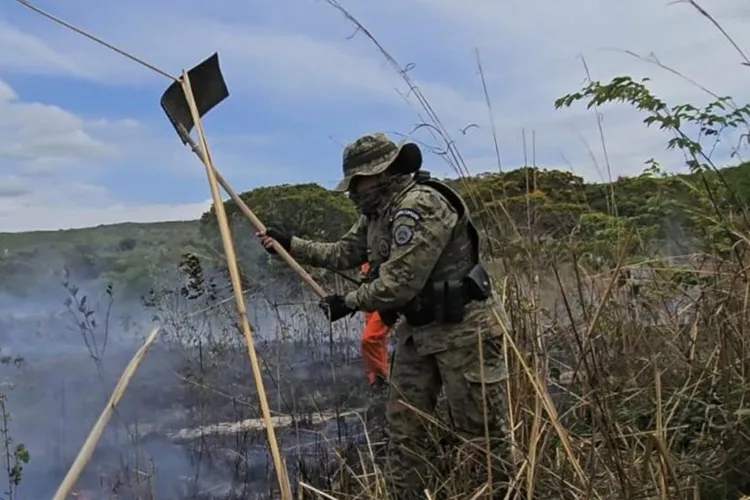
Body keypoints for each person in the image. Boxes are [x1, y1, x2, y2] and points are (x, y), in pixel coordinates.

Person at [257, 132, 508, 498]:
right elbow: (343, 252)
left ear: (384, 173)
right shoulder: (377, 213)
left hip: (465, 333)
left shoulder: (419, 207)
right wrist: (290, 245)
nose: (354, 191)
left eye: (359, 182)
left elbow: (400, 284)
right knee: (404, 431)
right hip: (419, 333)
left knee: (483, 433)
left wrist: (350, 301)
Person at [359, 262, 391, 390]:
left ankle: (382, 378)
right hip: (370, 286)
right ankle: (375, 381)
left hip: (390, 289)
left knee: (370, 338)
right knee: (376, 337)